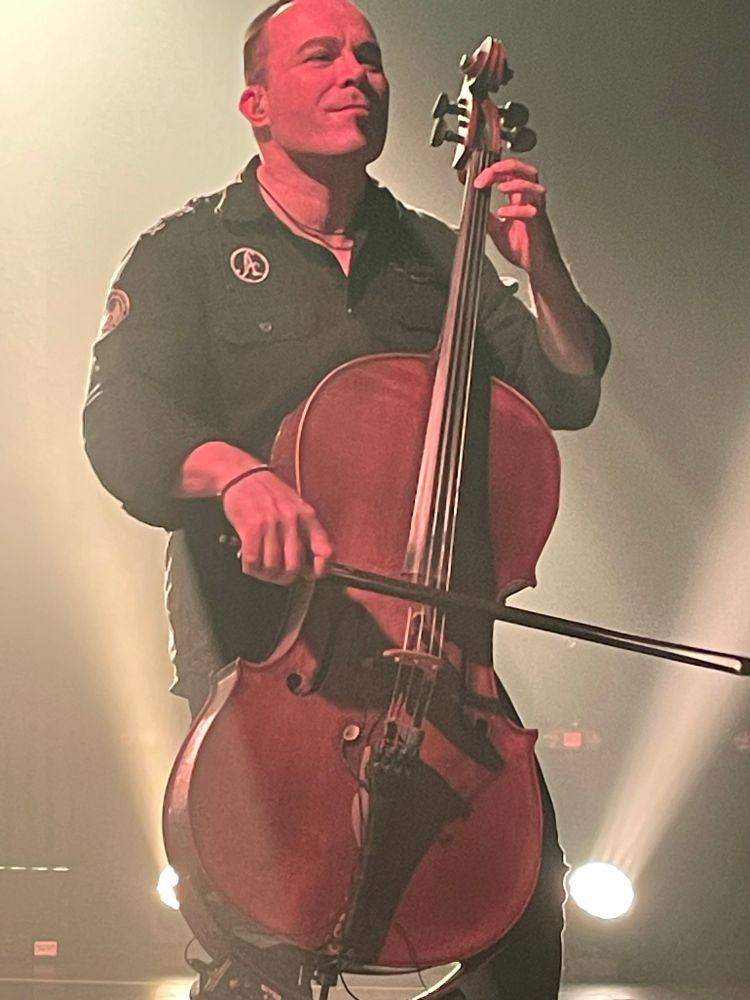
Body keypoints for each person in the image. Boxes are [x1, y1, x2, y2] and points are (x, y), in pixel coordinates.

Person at [84, 1, 611, 997]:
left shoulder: (434, 256)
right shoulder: (188, 251)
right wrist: (235, 476)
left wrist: (536, 259)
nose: (355, 72)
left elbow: (567, 390)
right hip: (271, 634)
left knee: (525, 924)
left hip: (439, 654)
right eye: (320, 55)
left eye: (368, 57)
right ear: (257, 103)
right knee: (263, 942)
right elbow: (122, 417)